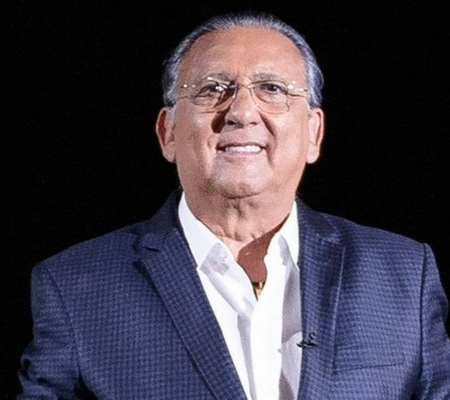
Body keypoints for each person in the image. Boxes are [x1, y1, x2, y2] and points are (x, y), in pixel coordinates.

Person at [17, 11, 450, 400]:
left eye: (272, 89)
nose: (242, 112)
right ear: (168, 132)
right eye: (212, 89)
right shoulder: (75, 286)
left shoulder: (404, 274)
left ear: (314, 133)